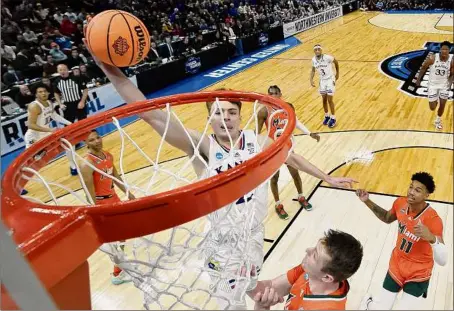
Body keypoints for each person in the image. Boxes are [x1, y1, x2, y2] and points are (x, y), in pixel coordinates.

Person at [83, 36, 357, 309]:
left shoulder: (257, 142)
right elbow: (151, 114)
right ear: (209, 119)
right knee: (232, 304)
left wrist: (327, 177)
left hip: (252, 237)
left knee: (255, 290)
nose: (224, 117)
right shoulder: (201, 146)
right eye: (217, 112)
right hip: (222, 246)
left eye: (230, 112)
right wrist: (109, 69)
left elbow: (292, 157)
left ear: (240, 117)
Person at [356, 172, 447, 310]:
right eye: (411, 187)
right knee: (381, 309)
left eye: (417, 190)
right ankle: (368, 302)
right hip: (397, 264)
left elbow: (443, 261)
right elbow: (387, 218)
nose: (411, 192)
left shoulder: (433, 220)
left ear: (426, 195)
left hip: (419, 272)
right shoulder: (400, 203)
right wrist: (367, 201)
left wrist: (432, 239)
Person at [251, 230, 363, 310]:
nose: (307, 250)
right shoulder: (311, 271)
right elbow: (271, 286)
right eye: (314, 247)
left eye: (314, 255)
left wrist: (261, 307)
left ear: (327, 277)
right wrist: (246, 280)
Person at [257, 85, 321, 220]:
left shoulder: (288, 107)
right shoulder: (263, 111)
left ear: (280, 94)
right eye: (270, 94)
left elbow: (295, 122)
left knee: (295, 173)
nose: (272, 96)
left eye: (275, 93)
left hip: (287, 146)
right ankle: (278, 204)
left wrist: (309, 133)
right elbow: (257, 133)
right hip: (273, 148)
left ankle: (301, 196)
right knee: (275, 178)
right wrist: (258, 150)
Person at [80, 130, 135, 285]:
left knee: (123, 233)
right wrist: (94, 209)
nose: (97, 141)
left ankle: (120, 267)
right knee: (115, 237)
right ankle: (117, 273)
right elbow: (88, 189)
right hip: (101, 203)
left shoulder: (108, 155)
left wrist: (129, 193)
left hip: (114, 197)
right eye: (92, 140)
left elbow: (115, 177)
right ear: (86, 144)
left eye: (98, 137)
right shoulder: (87, 163)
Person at [53, 63, 89, 174]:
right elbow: (56, 93)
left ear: (67, 69)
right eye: (60, 70)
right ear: (58, 71)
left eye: (64, 69)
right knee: (68, 128)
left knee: (84, 124)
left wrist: (82, 101)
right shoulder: (57, 82)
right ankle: (73, 146)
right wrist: (60, 103)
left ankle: (88, 143)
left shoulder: (76, 78)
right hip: (68, 106)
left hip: (79, 103)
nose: (62, 71)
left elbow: (85, 90)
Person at [415, 41, 453, 130]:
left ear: (449, 50)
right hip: (432, 85)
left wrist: (450, 83)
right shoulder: (432, 58)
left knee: (442, 105)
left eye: (446, 49)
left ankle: (438, 120)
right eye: (443, 49)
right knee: (432, 108)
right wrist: (418, 79)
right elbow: (424, 67)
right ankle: (434, 100)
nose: (444, 51)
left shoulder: (452, 59)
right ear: (440, 49)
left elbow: (452, 73)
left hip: (444, 85)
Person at [310, 44, 339, 128]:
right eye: (316, 49)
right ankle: (327, 116)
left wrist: (337, 73)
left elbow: (336, 62)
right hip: (322, 81)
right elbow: (313, 70)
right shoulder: (313, 60)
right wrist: (311, 80)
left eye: (319, 49)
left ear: (321, 50)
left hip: (330, 80)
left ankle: (333, 118)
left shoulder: (327, 57)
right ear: (314, 51)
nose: (317, 51)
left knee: (330, 100)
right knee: (324, 100)